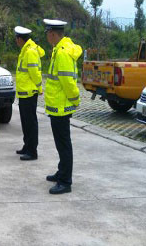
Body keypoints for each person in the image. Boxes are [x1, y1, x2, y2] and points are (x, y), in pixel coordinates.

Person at [44, 19, 82, 195]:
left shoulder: (62, 53)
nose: (46, 36)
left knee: (64, 144)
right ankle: (62, 172)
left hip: (61, 106)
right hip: (56, 105)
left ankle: (66, 181)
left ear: (53, 34)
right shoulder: (58, 50)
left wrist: (75, 99)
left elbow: (67, 81)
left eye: (47, 33)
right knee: (61, 143)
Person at [14, 26, 45, 161]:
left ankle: (32, 151)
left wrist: (39, 87)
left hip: (30, 92)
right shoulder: (25, 50)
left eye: (16, 39)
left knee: (30, 123)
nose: (16, 41)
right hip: (23, 93)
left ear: (20, 39)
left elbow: (34, 73)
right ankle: (27, 146)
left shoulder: (30, 52)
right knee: (25, 122)